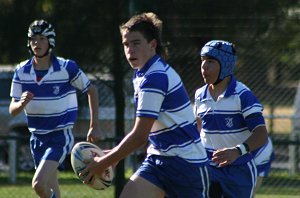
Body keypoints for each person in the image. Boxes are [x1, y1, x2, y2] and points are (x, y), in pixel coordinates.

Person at [81, 12, 210, 198]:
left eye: (136, 43)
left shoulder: (155, 77)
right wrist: (114, 155)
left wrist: (106, 161)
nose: (129, 50)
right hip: (158, 161)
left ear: (152, 45)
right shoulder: (142, 74)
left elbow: (140, 136)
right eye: (126, 44)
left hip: (186, 167)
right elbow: (143, 131)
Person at [9, 19, 101, 198]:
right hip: (36, 137)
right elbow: (13, 110)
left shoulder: (67, 68)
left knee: (38, 184)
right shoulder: (21, 71)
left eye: (42, 38)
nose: (37, 43)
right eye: (33, 39)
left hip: (59, 136)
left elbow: (92, 90)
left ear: (51, 41)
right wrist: (20, 104)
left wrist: (94, 124)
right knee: (51, 190)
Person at [194, 40, 268, 198]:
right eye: (202, 61)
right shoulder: (200, 95)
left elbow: (261, 134)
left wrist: (237, 151)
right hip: (208, 168)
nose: (204, 66)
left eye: (211, 61)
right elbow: (198, 128)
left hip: (239, 169)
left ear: (226, 65)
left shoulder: (243, 95)